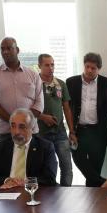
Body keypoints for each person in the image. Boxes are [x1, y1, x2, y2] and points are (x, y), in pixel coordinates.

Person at [66, 52, 107, 187]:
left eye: (93, 68)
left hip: (98, 132)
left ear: (98, 69)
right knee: (78, 158)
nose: (89, 70)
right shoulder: (71, 82)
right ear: (84, 66)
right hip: (79, 131)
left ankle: (93, 196)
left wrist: (102, 118)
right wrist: (71, 130)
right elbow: (67, 106)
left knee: (95, 167)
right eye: (87, 67)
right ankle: (103, 182)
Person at [0, 109, 59, 189]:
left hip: (33, 192)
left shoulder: (45, 147)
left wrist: (25, 182)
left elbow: (50, 179)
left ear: (32, 128)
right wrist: (7, 180)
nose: (16, 132)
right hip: (6, 191)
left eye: (22, 127)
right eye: (13, 126)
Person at [0, 37, 43, 138]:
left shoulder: (33, 74)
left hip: (31, 131)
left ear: (17, 50)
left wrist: (24, 122)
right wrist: (14, 123)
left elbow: (39, 103)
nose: (5, 52)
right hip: (6, 132)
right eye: (2, 49)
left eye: (9, 48)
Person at [37, 53, 77, 186]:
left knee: (67, 167)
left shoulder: (60, 84)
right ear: (39, 66)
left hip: (60, 132)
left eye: (52, 64)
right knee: (47, 169)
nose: (50, 68)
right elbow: (28, 107)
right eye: (47, 65)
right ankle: (50, 195)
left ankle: (65, 193)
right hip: (41, 133)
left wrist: (72, 131)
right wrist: (43, 117)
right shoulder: (34, 84)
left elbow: (67, 108)